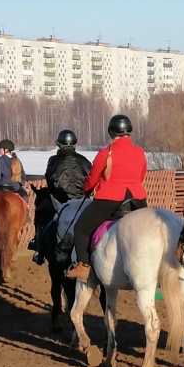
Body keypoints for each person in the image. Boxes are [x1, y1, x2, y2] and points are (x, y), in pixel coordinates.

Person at [67, 114, 148, 281]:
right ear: (129, 132)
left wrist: (87, 188)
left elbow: (93, 177)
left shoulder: (106, 152)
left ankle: (83, 266)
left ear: (111, 132)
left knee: (81, 228)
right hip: (137, 199)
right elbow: (141, 176)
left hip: (110, 199)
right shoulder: (140, 152)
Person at [32, 129, 93, 264]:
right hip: (82, 201)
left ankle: (39, 248)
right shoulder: (84, 160)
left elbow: (49, 179)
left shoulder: (53, 160)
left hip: (60, 200)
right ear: (74, 144)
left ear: (59, 144)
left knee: (41, 216)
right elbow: (91, 179)